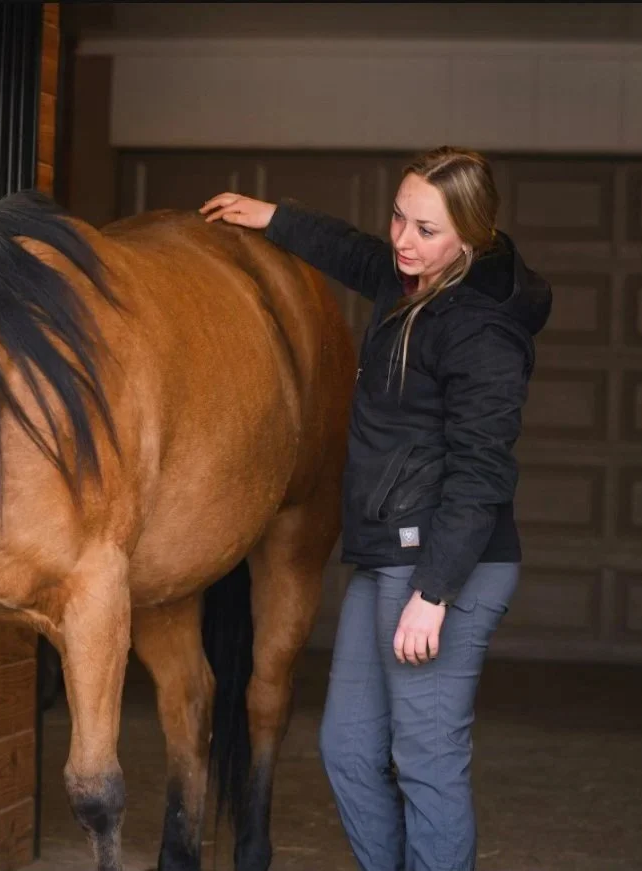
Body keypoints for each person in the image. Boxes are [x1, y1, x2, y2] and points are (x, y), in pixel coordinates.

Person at [199, 146, 552, 871]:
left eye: (425, 228)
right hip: (388, 554)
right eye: (399, 215)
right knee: (349, 748)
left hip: (442, 568)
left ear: (471, 237)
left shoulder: (479, 330)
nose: (401, 239)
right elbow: (360, 254)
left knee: (424, 756)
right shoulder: (416, 282)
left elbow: (481, 472)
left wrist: (433, 591)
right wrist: (274, 218)